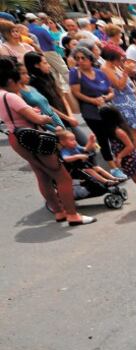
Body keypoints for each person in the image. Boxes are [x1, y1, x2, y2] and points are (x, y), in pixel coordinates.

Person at [0, 57, 94, 226]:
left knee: (42, 175)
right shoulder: (11, 97)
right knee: (62, 176)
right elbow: (38, 118)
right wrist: (44, 117)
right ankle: (72, 215)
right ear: (9, 80)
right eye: (16, 81)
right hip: (32, 137)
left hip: (17, 137)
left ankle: (59, 211)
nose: (18, 84)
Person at [102, 48, 136, 166]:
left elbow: (130, 82)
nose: (122, 60)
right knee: (134, 131)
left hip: (132, 101)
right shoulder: (105, 69)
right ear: (112, 59)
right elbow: (119, 86)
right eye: (119, 58)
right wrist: (126, 71)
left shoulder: (117, 66)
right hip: (122, 103)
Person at [100, 104, 136, 210]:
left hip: (130, 159)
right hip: (127, 159)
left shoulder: (118, 131)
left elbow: (130, 146)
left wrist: (119, 156)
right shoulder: (114, 129)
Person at [68, 47, 116, 163]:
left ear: (90, 59)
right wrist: (92, 100)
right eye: (77, 58)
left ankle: (119, 159)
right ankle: (112, 165)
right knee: (102, 138)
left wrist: (105, 98)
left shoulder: (99, 72)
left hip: (107, 109)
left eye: (83, 58)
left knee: (114, 135)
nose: (80, 61)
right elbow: (76, 93)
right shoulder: (75, 73)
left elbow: (111, 91)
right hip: (91, 112)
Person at [57, 129, 123, 185]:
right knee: (90, 171)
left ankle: (113, 178)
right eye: (71, 140)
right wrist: (77, 156)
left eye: (75, 139)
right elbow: (66, 159)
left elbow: (86, 149)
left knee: (97, 168)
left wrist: (91, 141)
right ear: (63, 142)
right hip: (77, 169)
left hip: (84, 165)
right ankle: (106, 181)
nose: (75, 141)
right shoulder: (65, 151)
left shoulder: (76, 147)